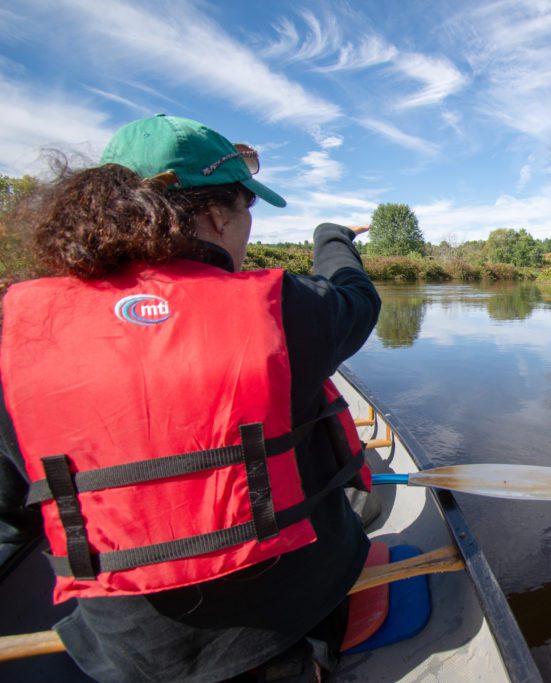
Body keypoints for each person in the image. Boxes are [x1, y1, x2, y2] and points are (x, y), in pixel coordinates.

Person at [0, 114, 381, 682]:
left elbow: (12, 516)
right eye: (247, 209)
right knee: (361, 506)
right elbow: (357, 295)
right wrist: (332, 236)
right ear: (215, 214)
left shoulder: (16, 332)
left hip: (125, 653)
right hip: (283, 630)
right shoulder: (285, 308)